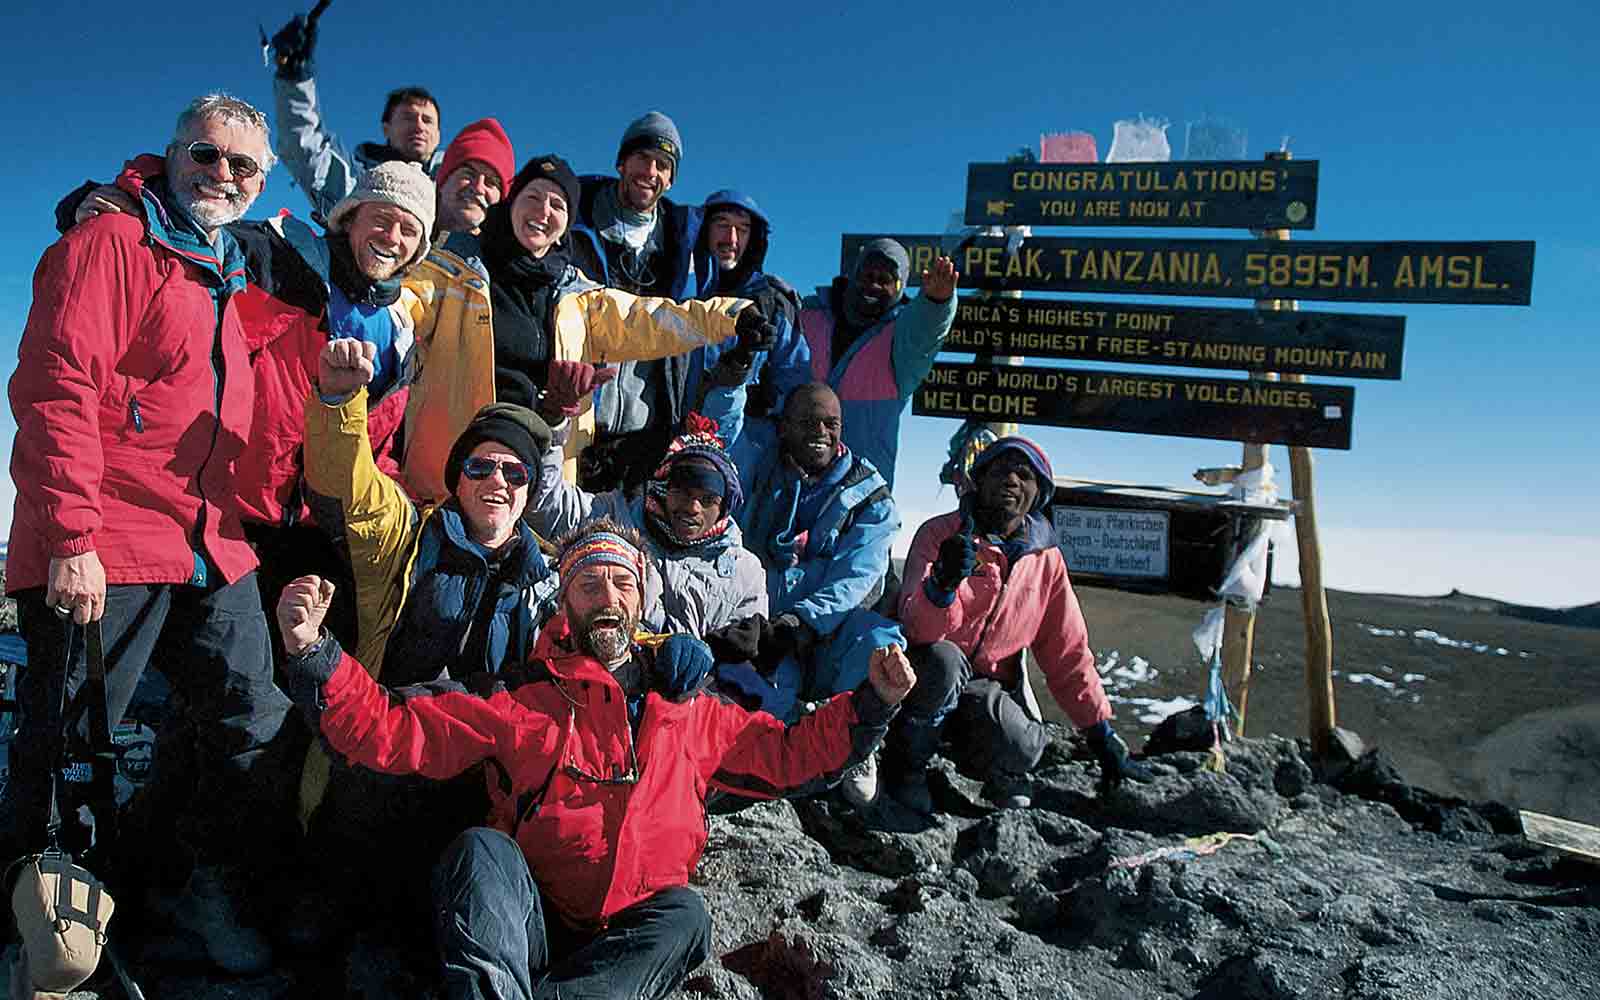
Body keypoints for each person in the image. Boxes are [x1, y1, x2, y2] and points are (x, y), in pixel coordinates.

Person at [274, 518, 916, 999]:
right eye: (588, 583)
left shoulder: (691, 708)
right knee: (478, 853)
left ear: (640, 602)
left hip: (630, 935)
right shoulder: (519, 696)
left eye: (621, 581)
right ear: (564, 603)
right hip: (530, 922)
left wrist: (871, 705)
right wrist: (314, 654)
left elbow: (789, 755)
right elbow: (392, 728)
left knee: (686, 914)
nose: (606, 595)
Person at [6, 94, 293, 974]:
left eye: (242, 166)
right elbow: (58, 386)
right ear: (171, 153)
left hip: (209, 539)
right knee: (73, 738)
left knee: (254, 717)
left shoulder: (227, 271)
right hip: (111, 531)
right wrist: (70, 535)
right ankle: (47, 931)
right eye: (206, 156)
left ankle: (183, 884)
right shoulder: (112, 244)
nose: (222, 176)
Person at [400, 154, 774, 502]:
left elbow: (651, 319)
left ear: (566, 226)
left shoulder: (577, 297)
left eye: (557, 205)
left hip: (537, 486)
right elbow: (403, 306)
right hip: (450, 482)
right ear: (511, 202)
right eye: (533, 197)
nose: (543, 212)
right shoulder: (453, 272)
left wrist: (732, 315)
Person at [888, 437, 1153, 813]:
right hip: (925, 675)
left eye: (1024, 474)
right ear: (979, 481)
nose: (1011, 480)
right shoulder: (939, 535)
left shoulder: (1046, 561)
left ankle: (999, 772)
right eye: (999, 470)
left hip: (985, 689)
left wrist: (1100, 734)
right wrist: (942, 587)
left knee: (1023, 745)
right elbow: (917, 631)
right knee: (944, 661)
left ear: (1039, 493)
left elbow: (1068, 652)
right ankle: (907, 765)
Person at [726, 384, 904, 725]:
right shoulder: (757, 464)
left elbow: (857, 579)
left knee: (880, 643)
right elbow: (723, 431)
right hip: (759, 628)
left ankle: (852, 732)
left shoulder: (871, 497)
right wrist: (732, 380)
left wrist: (802, 622)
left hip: (824, 634)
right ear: (784, 426)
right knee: (766, 713)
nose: (820, 432)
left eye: (830, 423)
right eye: (807, 421)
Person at [527, 406, 765, 637]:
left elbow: (743, 657)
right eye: (682, 492)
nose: (693, 508)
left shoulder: (744, 573)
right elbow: (547, 507)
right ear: (663, 487)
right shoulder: (614, 515)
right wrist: (554, 424)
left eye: (708, 500)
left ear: (723, 507)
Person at [575, 111, 708, 492]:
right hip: (578, 426)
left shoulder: (682, 242)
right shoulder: (575, 221)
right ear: (622, 162)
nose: (651, 171)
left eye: (663, 165)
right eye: (642, 158)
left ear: (671, 178)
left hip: (645, 435)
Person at [797, 238, 959, 489]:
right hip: (791, 476)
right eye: (867, 274)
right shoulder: (809, 314)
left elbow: (925, 332)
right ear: (853, 275)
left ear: (900, 287)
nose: (873, 284)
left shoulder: (902, 343)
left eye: (885, 280)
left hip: (857, 489)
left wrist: (936, 303)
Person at [269, 8, 443, 221]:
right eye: (408, 117)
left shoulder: (463, 185)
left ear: (439, 133)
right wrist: (294, 78)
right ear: (386, 128)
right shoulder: (357, 185)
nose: (419, 126)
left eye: (428, 120)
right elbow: (305, 147)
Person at [689, 190, 810, 419]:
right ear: (702, 228)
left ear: (753, 239)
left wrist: (769, 402)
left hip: (746, 444)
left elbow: (794, 378)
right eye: (722, 224)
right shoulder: (675, 291)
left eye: (742, 229)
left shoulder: (773, 304)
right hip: (670, 440)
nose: (731, 239)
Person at [433, 117, 516, 243]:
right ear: (443, 180)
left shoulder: (501, 260)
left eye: (491, 182)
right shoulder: (399, 231)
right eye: (469, 174)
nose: (478, 188)